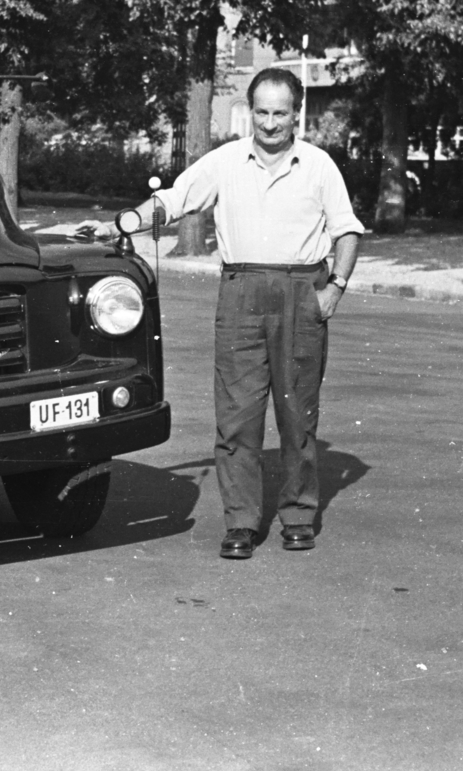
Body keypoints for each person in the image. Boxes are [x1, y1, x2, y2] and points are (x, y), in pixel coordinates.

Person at [126, 67, 363, 559]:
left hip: (302, 291)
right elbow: (176, 198)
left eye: (280, 113)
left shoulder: (319, 165)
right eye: (261, 112)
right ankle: (241, 522)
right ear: (250, 112)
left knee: (297, 414)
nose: (270, 123)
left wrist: (334, 289)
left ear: (295, 115)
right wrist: (132, 219)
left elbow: (347, 231)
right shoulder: (227, 161)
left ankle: (298, 514)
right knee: (237, 416)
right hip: (240, 291)